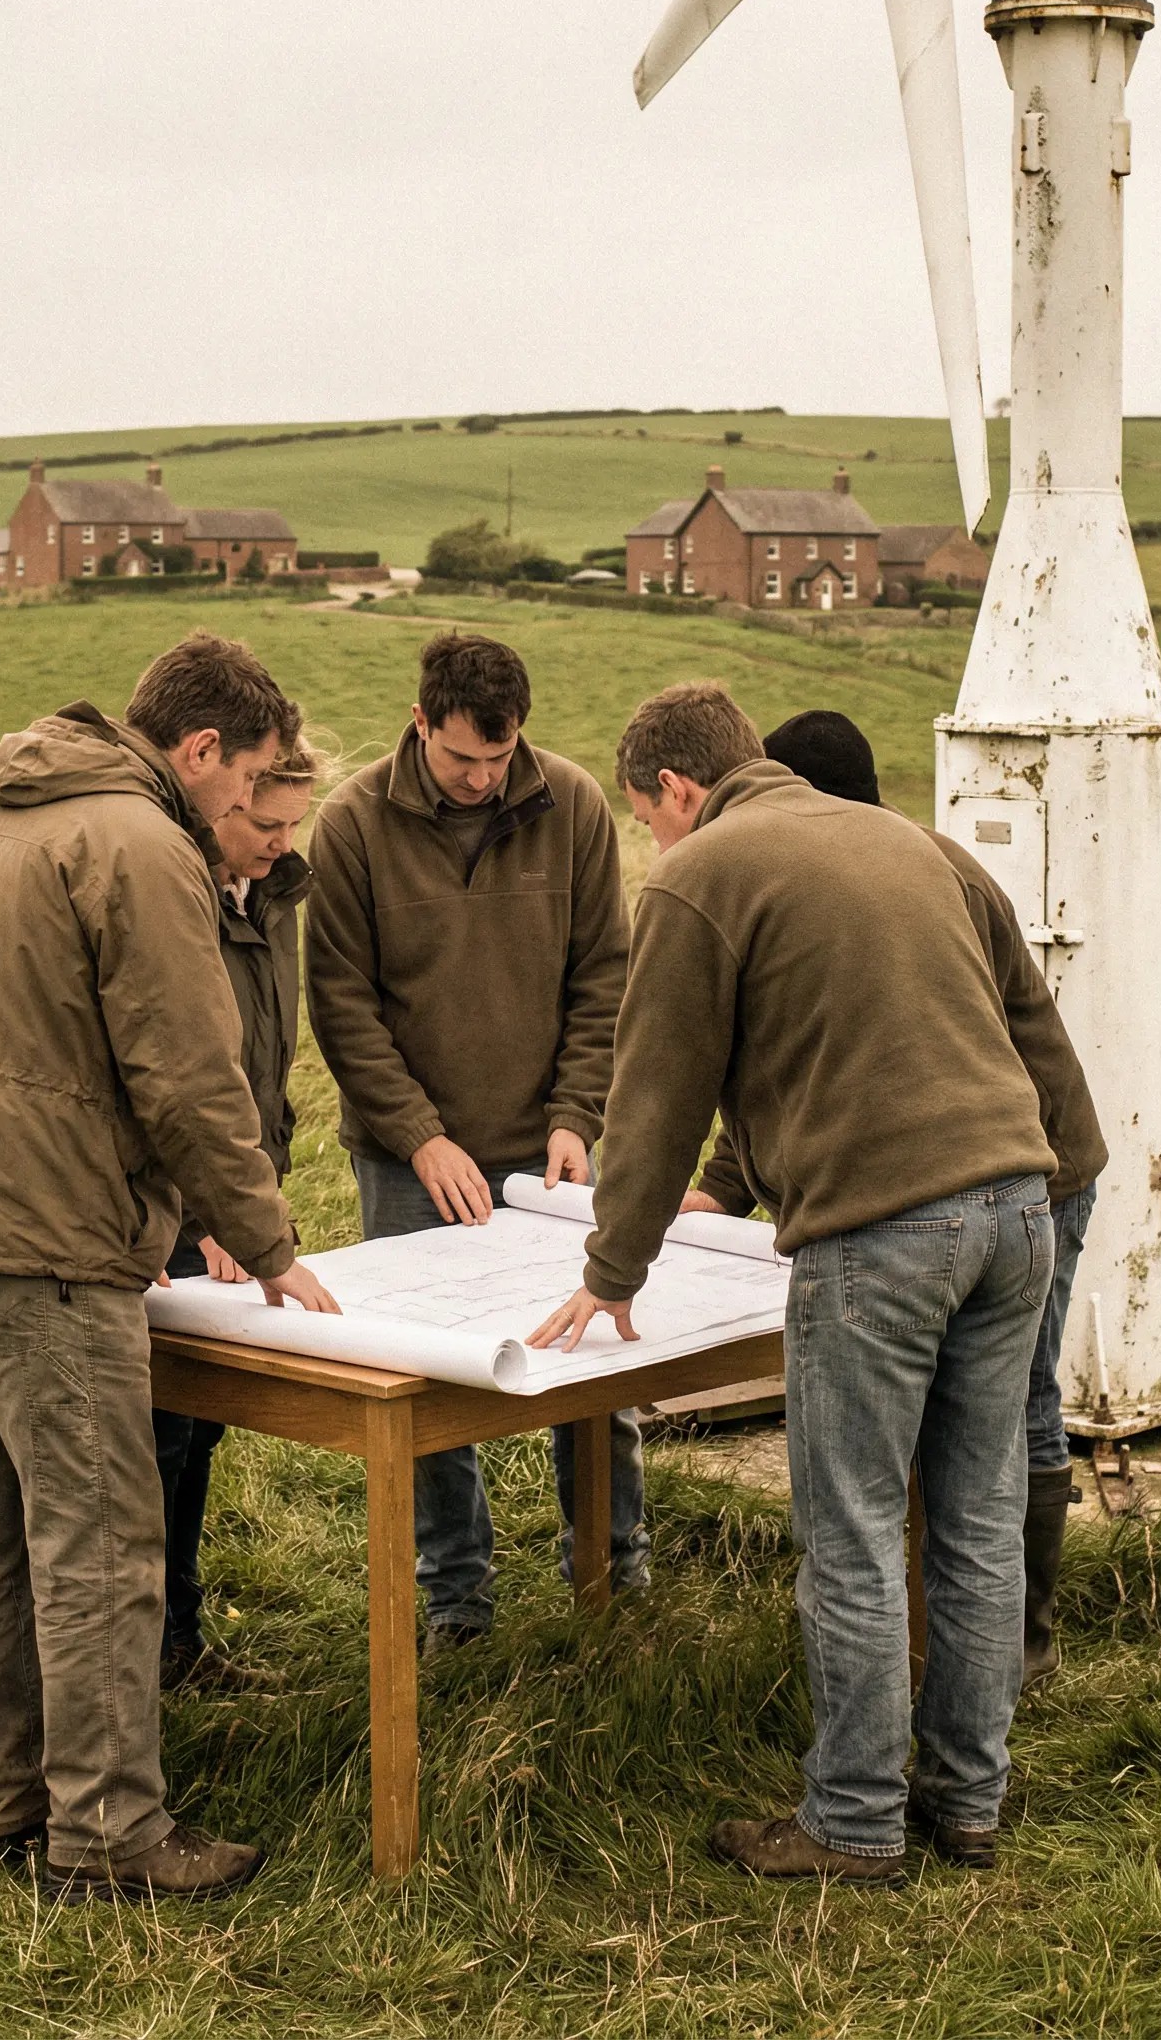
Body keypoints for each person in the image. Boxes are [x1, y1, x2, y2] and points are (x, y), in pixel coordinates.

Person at [531, 682, 1057, 1884]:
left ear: (675, 790)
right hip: (1014, 1205)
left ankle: (855, 1819)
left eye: (647, 817)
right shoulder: (912, 842)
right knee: (971, 1518)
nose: (656, 843)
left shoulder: (701, 873)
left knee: (855, 1526)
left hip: (882, 1228)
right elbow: (1029, 1019)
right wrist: (1050, 1182)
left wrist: (613, 1271)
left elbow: (654, 1093)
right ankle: (966, 1801)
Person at [0, 633, 340, 1905]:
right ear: (199, 752)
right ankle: (111, 1833)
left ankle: (4, 1800)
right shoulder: (143, 848)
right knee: (98, 1538)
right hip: (47, 1232)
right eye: (248, 783)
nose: (252, 808)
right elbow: (186, 1075)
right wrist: (271, 1240)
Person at [758, 708, 1105, 1686]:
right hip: (995, 1165)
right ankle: (968, 1655)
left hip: (1040, 1162)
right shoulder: (906, 862)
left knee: (1017, 1400)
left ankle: (1021, 1645)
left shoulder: (905, 874)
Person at [306, 631, 637, 1647]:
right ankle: (455, 1597)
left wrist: (577, 1113)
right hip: (413, 1159)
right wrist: (418, 1136)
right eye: (461, 759)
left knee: (590, 1365)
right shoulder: (351, 823)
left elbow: (604, 978)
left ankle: (613, 1575)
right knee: (428, 1377)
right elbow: (341, 1004)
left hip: (551, 1156)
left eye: (499, 758)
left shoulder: (573, 804)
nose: (482, 777)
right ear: (419, 723)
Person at [154, 736, 323, 1692]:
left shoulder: (273, 895)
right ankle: (150, 1655)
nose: (280, 840)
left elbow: (261, 1065)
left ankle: (179, 1640)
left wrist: (259, 1193)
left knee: (203, 1425)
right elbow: (174, 1077)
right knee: (160, 1430)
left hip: (238, 1200)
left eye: (294, 822)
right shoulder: (173, 896)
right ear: (216, 803)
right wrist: (216, 1213)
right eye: (265, 823)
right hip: (180, 1212)